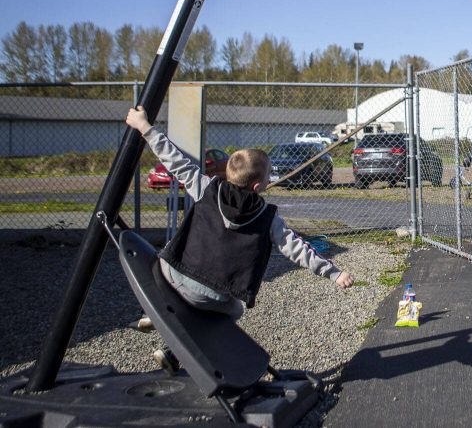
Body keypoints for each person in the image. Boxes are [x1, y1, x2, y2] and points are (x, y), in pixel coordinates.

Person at [125, 106, 354, 373]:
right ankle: (173, 347)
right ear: (258, 186)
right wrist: (334, 273)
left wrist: (145, 128)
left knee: (172, 272)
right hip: (210, 294)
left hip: (171, 273)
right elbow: (298, 250)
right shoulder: (268, 219)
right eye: (268, 176)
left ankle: (163, 328)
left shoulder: (206, 187)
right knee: (232, 312)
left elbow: (175, 160)